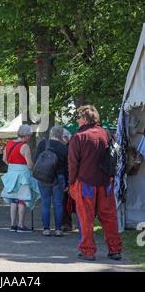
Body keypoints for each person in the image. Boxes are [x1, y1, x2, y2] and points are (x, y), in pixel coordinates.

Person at [69, 105, 122, 261]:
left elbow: (73, 164)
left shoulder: (78, 137)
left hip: (86, 183)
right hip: (106, 183)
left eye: (78, 117)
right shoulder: (106, 134)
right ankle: (115, 249)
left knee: (86, 218)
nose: (77, 120)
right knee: (109, 217)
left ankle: (88, 251)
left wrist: (71, 183)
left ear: (85, 119)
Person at [1, 124, 40, 232]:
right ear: (26, 135)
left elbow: (4, 159)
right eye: (29, 136)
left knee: (14, 199)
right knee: (22, 199)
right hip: (23, 175)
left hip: (11, 173)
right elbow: (30, 164)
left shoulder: (9, 143)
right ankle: (21, 225)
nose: (30, 138)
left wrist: (13, 166)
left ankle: (13, 224)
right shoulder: (25, 146)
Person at [35, 126, 69, 237]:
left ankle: (46, 229)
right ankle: (58, 229)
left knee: (45, 203)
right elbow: (67, 167)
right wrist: (67, 182)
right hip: (59, 178)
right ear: (61, 135)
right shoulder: (64, 148)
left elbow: (36, 160)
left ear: (51, 133)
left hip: (44, 177)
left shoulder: (42, 144)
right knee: (58, 204)